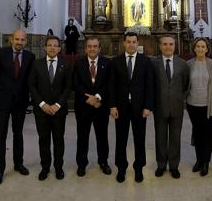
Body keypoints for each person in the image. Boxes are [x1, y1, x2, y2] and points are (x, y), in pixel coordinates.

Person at [0, 29, 34, 185]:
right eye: (17, 39)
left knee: (18, 133)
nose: (19, 42)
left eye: (22, 40)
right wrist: (1, 92)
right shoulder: (1, 54)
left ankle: (18, 164)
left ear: (26, 42)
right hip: (2, 101)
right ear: (11, 40)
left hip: (20, 103)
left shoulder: (30, 57)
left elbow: (30, 80)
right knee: (1, 135)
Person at [108, 32, 154, 183]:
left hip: (139, 107)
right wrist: (112, 105)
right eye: (128, 42)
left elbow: (149, 86)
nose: (131, 45)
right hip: (120, 107)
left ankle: (139, 168)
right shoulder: (115, 61)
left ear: (137, 43)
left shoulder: (145, 61)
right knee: (121, 139)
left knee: (139, 139)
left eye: (134, 42)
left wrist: (148, 106)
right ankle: (121, 168)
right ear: (123, 43)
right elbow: (112, 85)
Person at [28, 36, 72, 181]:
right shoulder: (36, 64)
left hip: (59, 110)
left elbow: (68, 87)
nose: (52, 48)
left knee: (58, 139)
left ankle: (59, 168)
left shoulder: (65, 64)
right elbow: (32, 86)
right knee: (44, 139)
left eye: (55, 45)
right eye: (50, 45)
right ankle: (45, 167)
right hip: (42, 110)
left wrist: (58, 105)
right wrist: (42, 104)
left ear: (59, 48)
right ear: (45, 48)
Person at [151, 35, 189, 179]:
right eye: (165, 44)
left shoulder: (182, 64)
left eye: (171, 44)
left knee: (175, 137)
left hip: (177, 106)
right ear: (160, 46)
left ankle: (174, 166)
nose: (168, 47)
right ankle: (161, 164)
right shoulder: (153, 63)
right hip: (159, 107)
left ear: (175, 46)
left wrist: (178, 97)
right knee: (160, 137)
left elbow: (185, 85)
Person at [73, 36, 112, 177]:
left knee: (102, 137)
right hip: (83, 107)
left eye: (95, 46)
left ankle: (103, 162)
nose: (92, 49)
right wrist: (87, 98)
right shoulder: (79, 63)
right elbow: (76, 84)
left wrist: (98, 97)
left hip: (101, 106)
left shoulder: (107, 63)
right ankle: (82, 164)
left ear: (99, 48)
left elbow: (108, 84)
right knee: (82, 136)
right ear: (85, 48)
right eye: (89, 46)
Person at [186, 37, 212, 176]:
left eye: (203, 46)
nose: (200, 49)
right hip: (192, 104)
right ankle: (199, 160)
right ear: (194, 48)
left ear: (207, 49)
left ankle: (206, 162)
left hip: (208, 104)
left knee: (207, 134)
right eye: (198, 46)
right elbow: (186, 83)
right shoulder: (189, 64)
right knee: (198, 133)